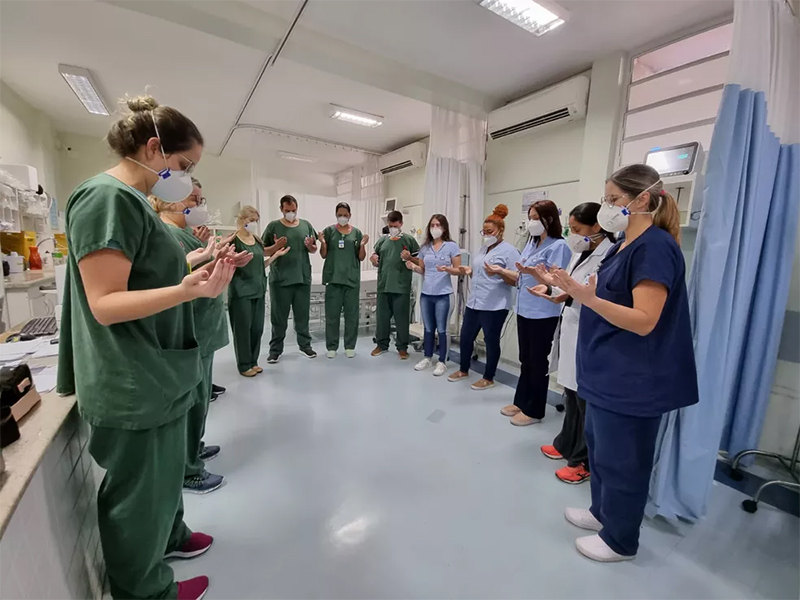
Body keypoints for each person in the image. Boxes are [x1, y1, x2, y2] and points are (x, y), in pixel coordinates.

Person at [56, 96, 235, 600]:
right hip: (131, 376)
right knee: (139, 496)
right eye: (183, 166)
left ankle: (171, 537)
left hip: (159, 369)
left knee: (161, 484)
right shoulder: (105, 198)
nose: (186, 179)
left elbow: (148, 271)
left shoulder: (135, 204)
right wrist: (186, 290)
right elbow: (106, 303)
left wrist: (195, 266)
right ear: (154, 148)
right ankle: (145, 591)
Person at [552, 163, 698, 562]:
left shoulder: (655, 247)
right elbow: (607, 295)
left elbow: (645, 319)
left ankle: (620, 540)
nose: (607, 208)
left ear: (643, 200)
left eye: (614, 200)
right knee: (601, 451)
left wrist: (588, 300)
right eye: (606, 199)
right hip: (605, 371)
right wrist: (571, 288)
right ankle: (603, 513)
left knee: (624, 460)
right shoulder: (621, 245)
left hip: (634, 377)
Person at [153, 179, 254, 494]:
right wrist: (216, 262)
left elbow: (198, 273)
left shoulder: (182, 235)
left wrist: (222, 260)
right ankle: (189, 471)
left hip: (202, 330)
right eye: (195, 199)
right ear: (171, 199)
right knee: (191, 404)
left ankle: (193, 450)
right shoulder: (168, 236)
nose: (201, 205)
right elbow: (179, 284)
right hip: (191, 331)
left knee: (199, 403)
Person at [530, 203, 614, 484]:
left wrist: (563, 288)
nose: (573, 236)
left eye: (577, 230)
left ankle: (583, 461)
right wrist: (549, 284)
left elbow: (594, 295)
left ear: (597, 227)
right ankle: (566, 443)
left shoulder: (608, 255)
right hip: (571, 327)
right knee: (571, 393)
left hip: (589, 331)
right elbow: (569, 287)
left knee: (584, 400)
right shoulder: (580, 252)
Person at [486, 200, 571, 425]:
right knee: (526, 359)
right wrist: (501, 270)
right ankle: (521, 401)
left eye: (535, 218)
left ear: (549, 219)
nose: (531, 222)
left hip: (544, 312)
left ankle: (534, 410)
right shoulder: (532, 244)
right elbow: (521, 274)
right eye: (530, 217)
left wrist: (535, 274)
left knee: (537, 361)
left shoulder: (558, 246)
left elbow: (556, 282)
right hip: (524, 308)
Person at [447, 204, 521, 390]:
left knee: (491, 340)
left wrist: (500, 271)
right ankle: (463, 369)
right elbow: (480, 273)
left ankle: (489, 377)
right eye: (484, 231)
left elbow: (516, 280)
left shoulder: (510, 251)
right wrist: (469, 271)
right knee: (466, 337)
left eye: (490, 231)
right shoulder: (482, 250)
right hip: (475, 302)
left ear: (500, 230)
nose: (486, 235)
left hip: (495, 305)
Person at [229, 206, 289, 376]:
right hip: (241, 292)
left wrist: (276, 255)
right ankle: (244, 365)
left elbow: (259, 265)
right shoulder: (234, 240)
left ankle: (253, 361)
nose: (254, 223)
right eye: (251, 220)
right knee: (242, 330)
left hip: (258, 289)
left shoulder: (256, 239)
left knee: (256, 329)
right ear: (241, 220)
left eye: (256, 220)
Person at [263, 195, 318, 362]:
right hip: (281, 279)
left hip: (302, 278)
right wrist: (276, 246)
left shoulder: (306, 225)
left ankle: (305, 345)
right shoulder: (273, 226)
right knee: (279, 317)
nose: (291, 213)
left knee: (302, 315)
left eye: (293, 210)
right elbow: (264, 250)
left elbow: (314, 248)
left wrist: (311, 246)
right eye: (287, 211)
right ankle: (275, 350)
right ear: (281, 209)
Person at [405, 214, 461, 376]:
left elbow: (458, 270)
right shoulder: (425, 248)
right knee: (428, 328)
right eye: (432, 225)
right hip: (427, 294)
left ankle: (442, 361)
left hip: (443, 294)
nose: (435, 228)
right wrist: (412, 266)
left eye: (438, 225)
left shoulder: (451, 246)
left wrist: (448, 269)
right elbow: (423, 269)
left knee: (442, 329)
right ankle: (427, 357)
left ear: (444, 228)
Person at [318, 202, 369, 358]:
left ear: (350, 215)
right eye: (340, 214)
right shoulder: (329, 231)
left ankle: (349, 346)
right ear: (336, 214)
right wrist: (323, 242)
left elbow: (361, 257)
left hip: (351, 280)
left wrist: (362, 245)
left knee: (351, 315)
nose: (342, 217)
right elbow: (323, 255)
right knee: (332, 315)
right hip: (333, 279)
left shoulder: (357, 233)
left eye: (345, 215)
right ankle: (332, 346)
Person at [370, 210, 420, 359]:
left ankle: (402, 347)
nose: (393, 228)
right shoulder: (382, 241)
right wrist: (373, 259)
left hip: (401, 286)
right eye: (390, 225)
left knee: (402, 319)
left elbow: (419, 261)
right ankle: (381, 345)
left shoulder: (409, 241)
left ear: (401, 224)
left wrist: (409, 257)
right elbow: (375, 257)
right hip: (384, 285)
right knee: (382, 318)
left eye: (395, 225)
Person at [191, 224, 227, 402]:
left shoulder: (187, 234)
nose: (199, 205)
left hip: (206, 307)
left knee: (206, 357)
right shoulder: (174, 234)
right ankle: (202, 390)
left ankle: (207, 384)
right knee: (198, 356)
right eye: (194, 199)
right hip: (195, 310)